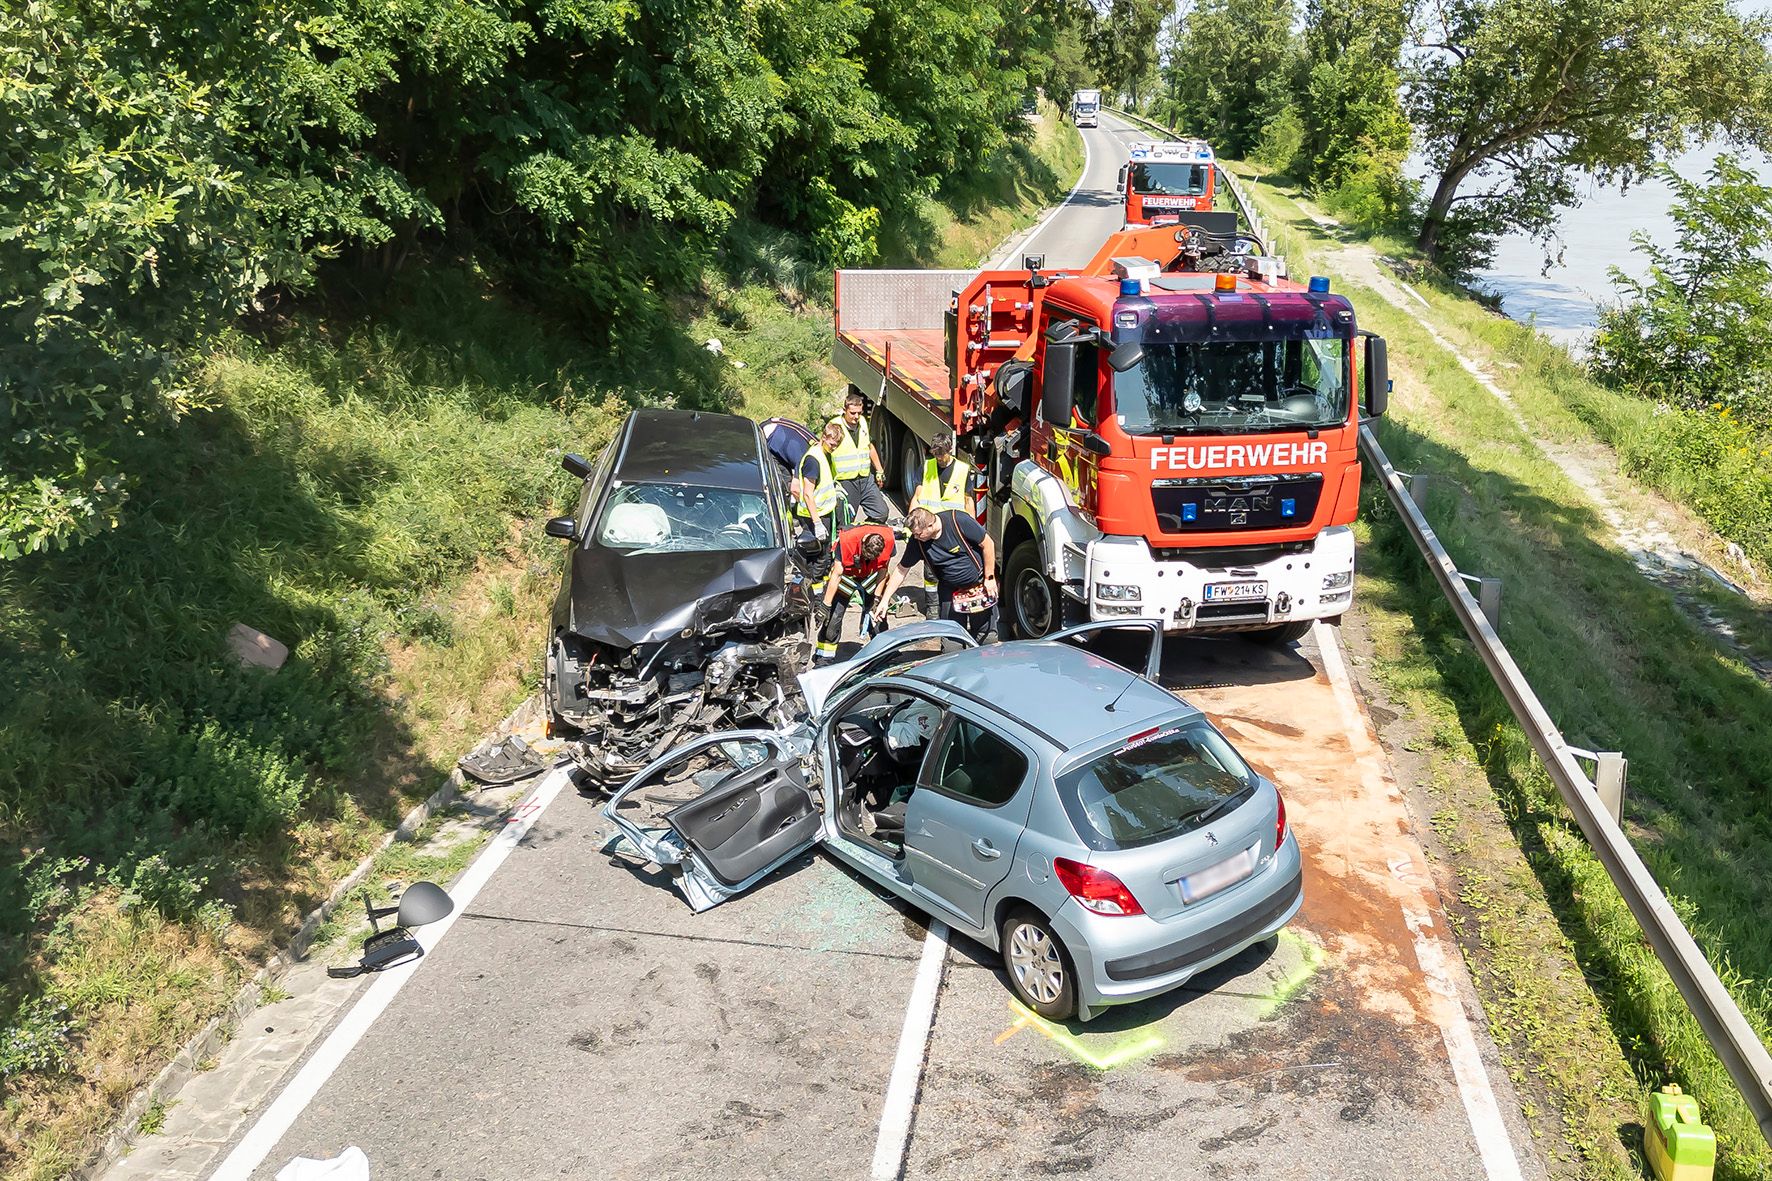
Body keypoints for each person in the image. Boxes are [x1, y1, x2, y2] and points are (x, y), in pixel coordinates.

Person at [873, 507, 997, 641]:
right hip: (949, 591)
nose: (915, 537)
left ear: (931, 526)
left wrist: (989, 578)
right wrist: (884, 601)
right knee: (951, 640)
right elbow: (901, 570)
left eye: (918, 534)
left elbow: (988, 543)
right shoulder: (918, 542)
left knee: (986, 637)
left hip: (978, 587)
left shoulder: (958, 521)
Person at [813, 524, 895, 665]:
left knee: (878, 615)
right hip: (847, 575)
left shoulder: (889, 540)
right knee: (833, 618)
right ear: (863, 542)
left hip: (871, 575)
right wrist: (825, 605)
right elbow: (836, 575)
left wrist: (877, 598)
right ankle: (824, 658)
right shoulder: (847, 541)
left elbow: (883, 569)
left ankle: (882, 654)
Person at [909, 430, 971, 609]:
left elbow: (968, 501)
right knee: (930, 571)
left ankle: (953, 604)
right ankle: (932, 607)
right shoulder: (927, 467)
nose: (939, 459)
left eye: (942, 455)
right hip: (930, 528)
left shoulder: (962, 470)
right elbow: (918, 495)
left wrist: (970, 528)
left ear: (950, 450)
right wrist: (911, 524)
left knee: (952, 567)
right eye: (936, 455)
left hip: (952, 529)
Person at [827, 392, 892, 525]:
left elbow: (869, 447)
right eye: (852, 413)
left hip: (865, 479)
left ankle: (862, 531)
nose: (856, 416)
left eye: (859, 413)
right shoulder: (835, 426)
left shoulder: (862, 422)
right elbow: (825, 453)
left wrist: (879, 470)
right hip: (845, 481)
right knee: (845, 520)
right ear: (844, 410)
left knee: (881, 513)